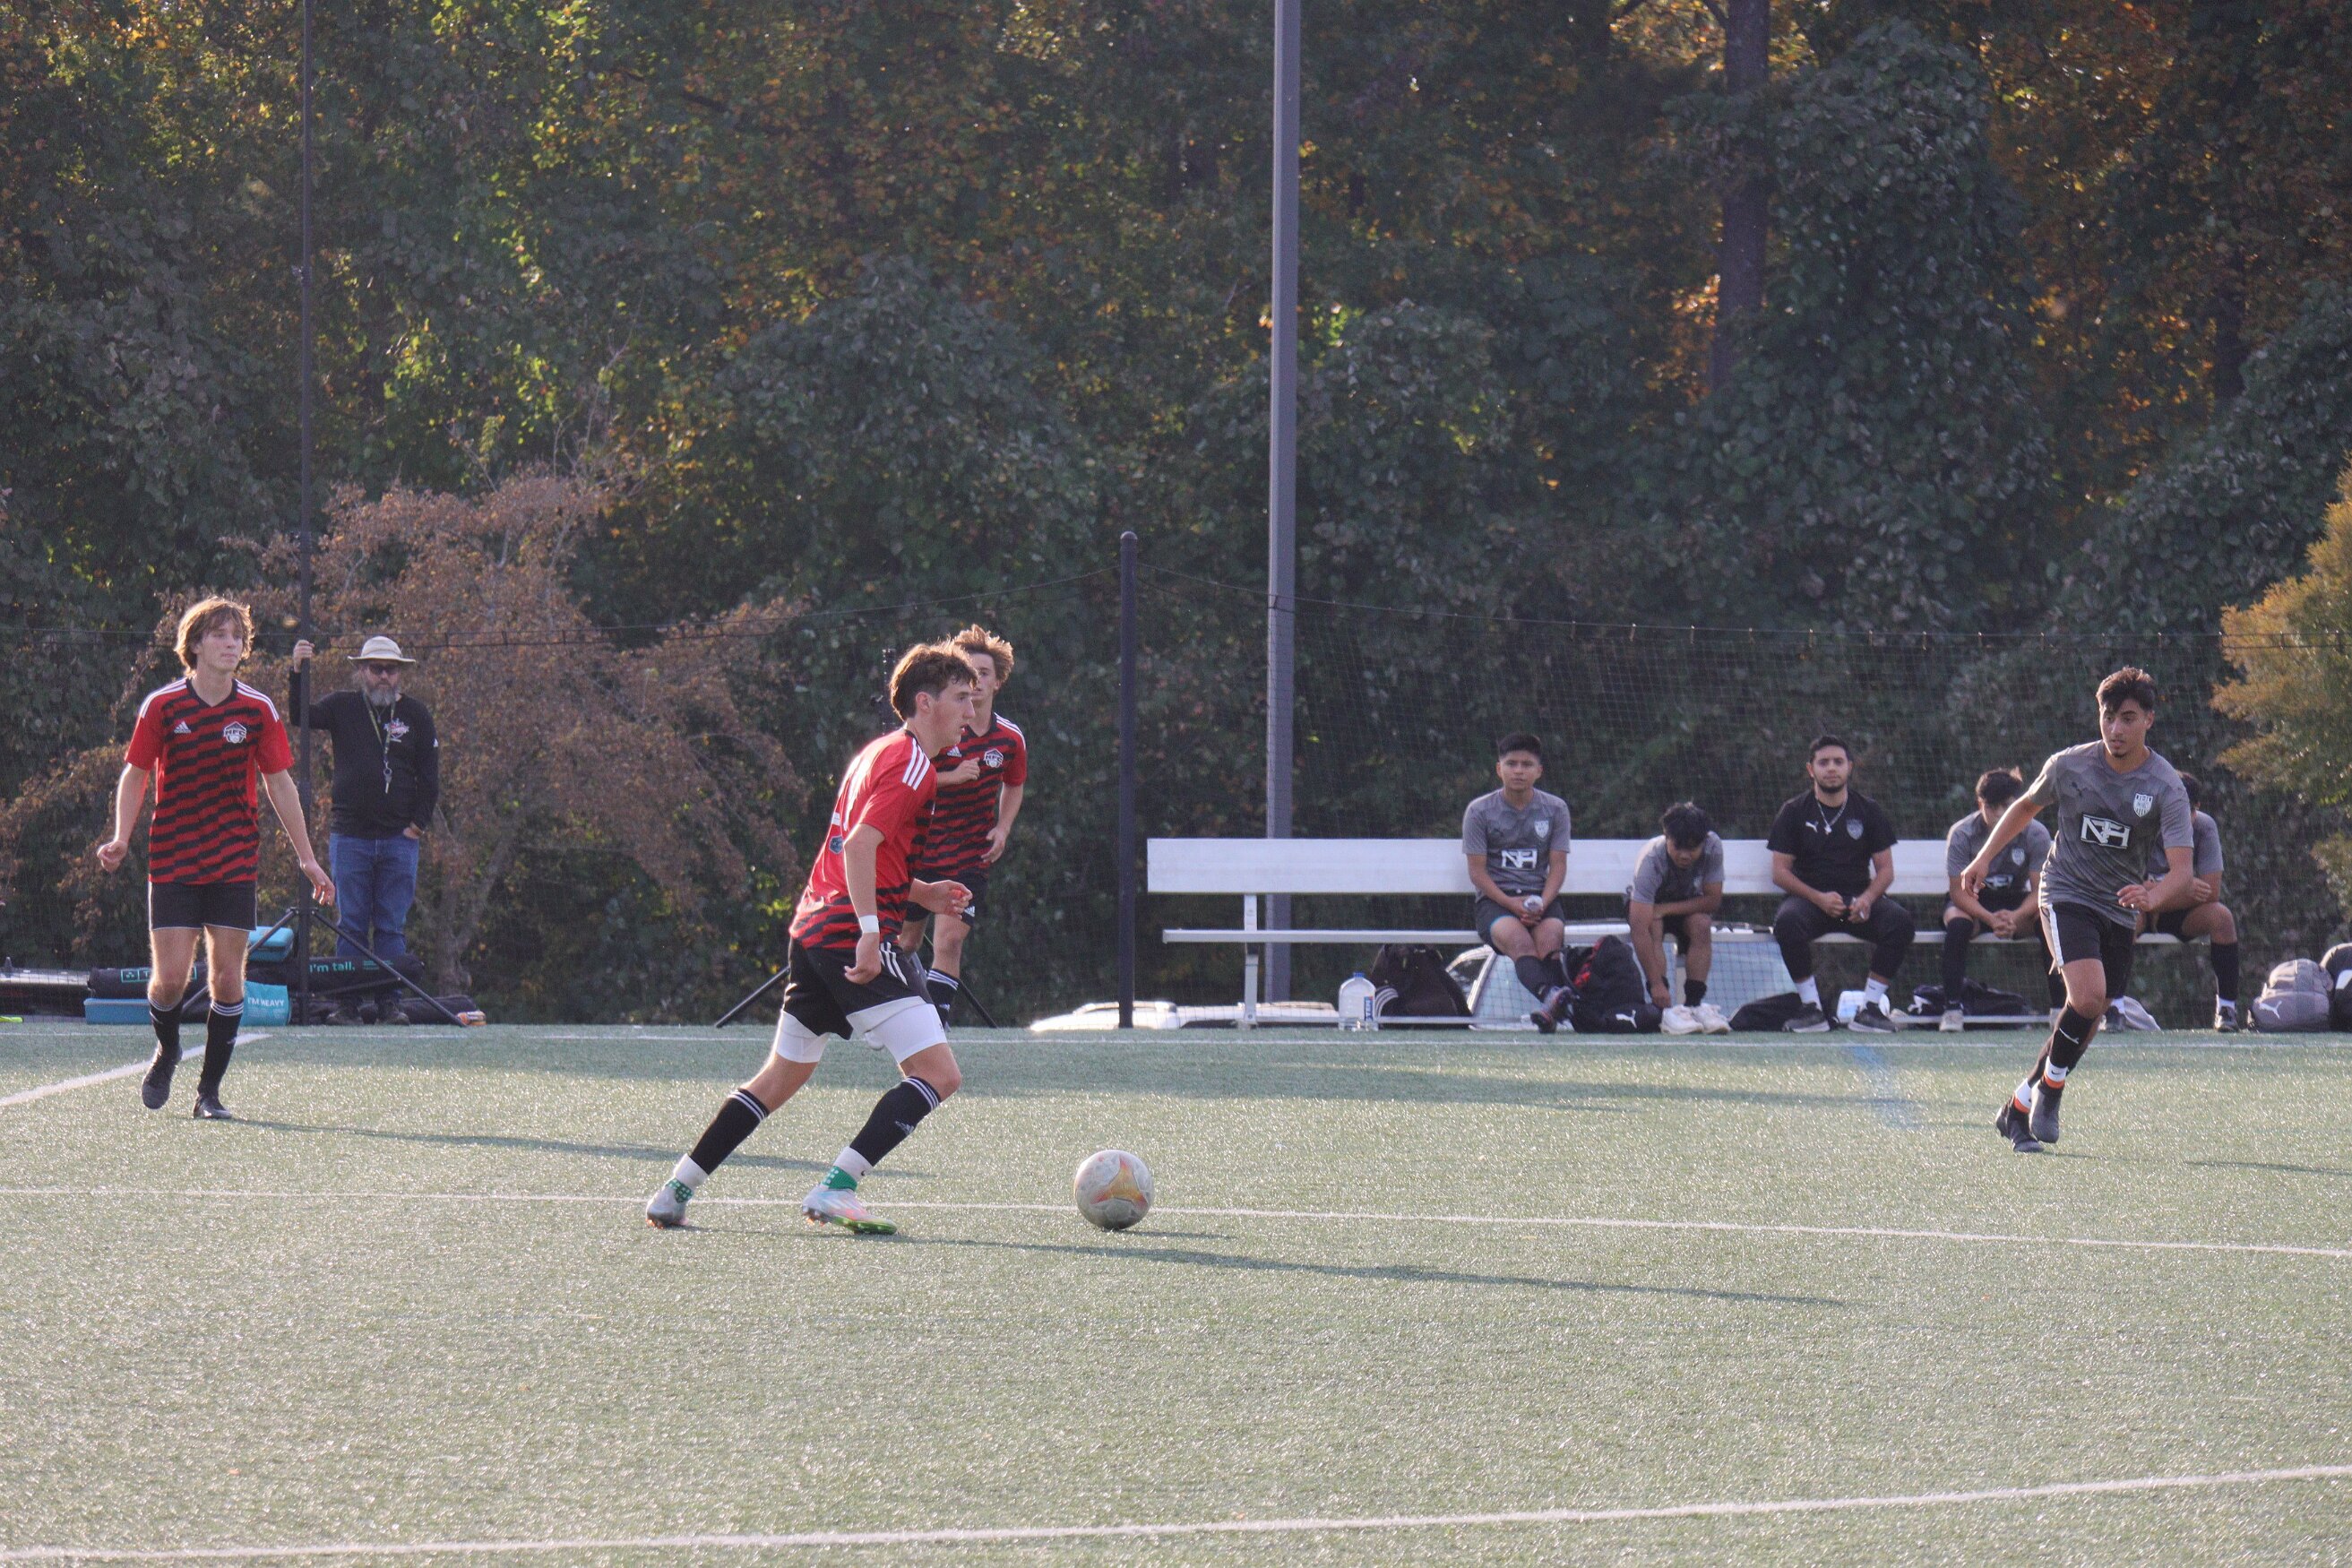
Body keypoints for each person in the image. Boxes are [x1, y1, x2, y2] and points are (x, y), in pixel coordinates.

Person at [646, 642, 979, 1234]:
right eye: (960, 697)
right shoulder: (912, 765)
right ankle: (837, 1187)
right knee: (938, 1074)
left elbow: (864, 853)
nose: (970, 711)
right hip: (851, 932)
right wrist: (873, 932)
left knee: (782, 1075)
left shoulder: (878, 753)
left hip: (814, 929)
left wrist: (922, 894)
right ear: (925, 703)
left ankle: (675, 1190)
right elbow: (859, 846)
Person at [96, 599, 335, 1118]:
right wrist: (120, 838)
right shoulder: (162, 706)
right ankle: (167, 1050)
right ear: (196, 645)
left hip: (233, 860)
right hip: (174, 857)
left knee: (227, 980)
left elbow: (279, 783)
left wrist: (307, 858)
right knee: (170, 980)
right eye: (220, 635)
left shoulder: (257, 709)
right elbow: (136, 774)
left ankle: (208, 1093)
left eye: (237, 637)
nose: (231, 644)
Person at [1963, 666, 2193, 1153]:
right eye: (2108, 717)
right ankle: (2051, 1091)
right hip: (2065, 891)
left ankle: (2019, 1107)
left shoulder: (2166, 786)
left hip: (2119, 907)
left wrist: (2154, 896)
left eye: (2127, 718)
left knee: (2088, 1018)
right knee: (2088, 997)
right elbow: (2025, 808)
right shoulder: (2069, 766)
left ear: (2149, 720)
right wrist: (1983, 858)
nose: (2115, 729)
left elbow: (2182, 873)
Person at [289, 635, 440, 986]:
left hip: (399, 838)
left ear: (400, 673)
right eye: (376, 669)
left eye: (391, 669)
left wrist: (418, 824)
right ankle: (349, 1001)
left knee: (391, 926)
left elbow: (430, 775)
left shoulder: (416, 714)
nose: (384, 676)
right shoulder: (343, 705)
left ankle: (389, 1001)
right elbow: (301, 716)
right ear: (362, 671)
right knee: (351, 924)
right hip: (350, 836)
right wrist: (296, 671)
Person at [896, 625, 1028, 1027]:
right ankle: (899, 1010)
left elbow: (1015, 784)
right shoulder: (940, 731)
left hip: (970, 856)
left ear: (998, 682)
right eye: (969, 673)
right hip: (922, 850)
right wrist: (952, 777)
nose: (976, 681)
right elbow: (908, 779)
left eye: (984, 673)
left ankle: (934, 1027)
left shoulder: (1010, 739)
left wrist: (1003, 828)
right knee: (905, 942)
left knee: (950, 941)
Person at [1766, 735, 1910, 1032]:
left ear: (1849, 767)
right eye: (1823, 763)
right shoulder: (1793, 811)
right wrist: (1818, 898)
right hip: (1811, 903)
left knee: (1900, 922)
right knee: (1787, 923)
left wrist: (1867, 899)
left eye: (1838, 762)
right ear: (1811, 769)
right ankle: (1811, 1008)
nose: (1831, 768)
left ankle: (1870, 1009)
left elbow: (1885, 871)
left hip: (1857, 903)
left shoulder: (1868, 810)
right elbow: (1780, 872)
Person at [1460, 733, 1576, 1034]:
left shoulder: (1556, 809)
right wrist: (1511, 904)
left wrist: (1543, 903)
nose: (1519, 771)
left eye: (1527, 764)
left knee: (1550, 942)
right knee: (1521, 943)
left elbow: (1558, 865)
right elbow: (1477, 873)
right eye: (1511, 764)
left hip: (1541, 899)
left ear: (1539, 771)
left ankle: (1552, 1008)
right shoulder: (1479, 811)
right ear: (1499, 769)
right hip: (1496, 901)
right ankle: (1558, 1000)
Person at [1936, 768, 2054, 1032]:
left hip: (2016, 903)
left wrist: (2016, 916)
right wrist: (1990, 918)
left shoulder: (2036, 834)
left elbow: (2041, 891)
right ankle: (1952, 1009)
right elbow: (1958, 892)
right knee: (1957, 924)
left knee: (2048, 919)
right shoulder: (1962, 833)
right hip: (1973, 901)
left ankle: (2059, 1010)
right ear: (1981, 804)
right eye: (1993, 807)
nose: (2001, 814)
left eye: (2007, 806)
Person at [2136, 771, 2242, 1031]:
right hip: (2139, 908)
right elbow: (2127, 886)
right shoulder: (2140, 824)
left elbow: (2210, 892)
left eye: (2186, 811)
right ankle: (2113, 1008)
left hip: (2177, 911)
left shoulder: (2205, 827)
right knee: (2123, 916)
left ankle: (2226, 1010)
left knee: (2222, 917)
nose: (2179, 820)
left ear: (2197, 808)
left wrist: (2155, 892)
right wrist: (2179, 886)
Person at [1626, 802, 1729, 1035]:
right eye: (1677, 847)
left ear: (1704, 841)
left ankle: (1694, 1005)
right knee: (1653, 925)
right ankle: (1664, 1009)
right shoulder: (1651, 860)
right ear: (1667, 837)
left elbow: (1712, 900)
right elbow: (1638, 928)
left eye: (1692, 849)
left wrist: (1666, 909)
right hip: (1649, 909)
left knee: (1702, 924)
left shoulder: (1713, 846)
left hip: (1679, 906)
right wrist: (1656, 985)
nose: (1684, 855)